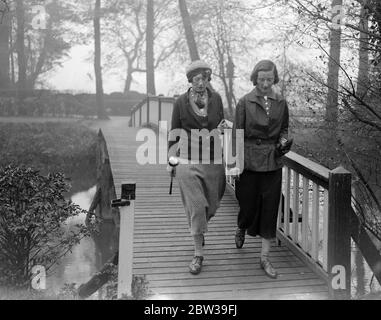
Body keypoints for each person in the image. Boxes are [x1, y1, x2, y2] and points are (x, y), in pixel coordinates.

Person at [231, 60, 292, 279]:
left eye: (269, 79)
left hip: (272, 162)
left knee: (270, 209)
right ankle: (242, 225)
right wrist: (234, 165)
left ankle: (264, 258)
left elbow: (284, 128)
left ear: (273, 79)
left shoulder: (281, 102)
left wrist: (283, 140)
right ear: (255, 78)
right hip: (248, 161)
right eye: (261, 79)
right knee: (248, 205)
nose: (265, 83)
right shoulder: (244, 102)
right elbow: (236, 134)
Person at [167, 60, 226, 275]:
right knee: (197, 206)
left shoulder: (217, 99)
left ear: (208, 79)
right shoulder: (180, 102)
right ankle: (198, 253)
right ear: (190, 80)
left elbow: (219, 122)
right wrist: (171, 160)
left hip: (212, 158)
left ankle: (199, 229)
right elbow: (174, 131)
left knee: (212, 203)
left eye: (204, 78)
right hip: (187, 159)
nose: (201, 83)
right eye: (196, 79)